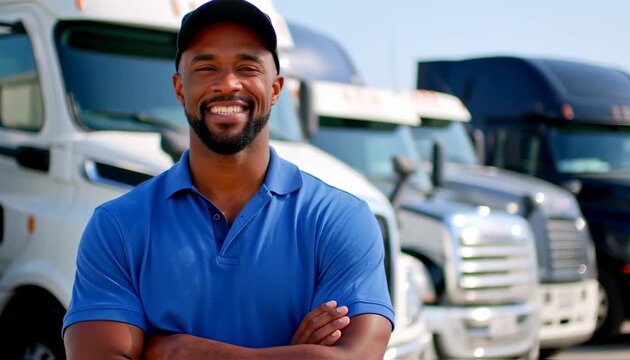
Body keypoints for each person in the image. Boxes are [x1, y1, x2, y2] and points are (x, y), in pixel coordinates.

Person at [62, 0, 393, 358]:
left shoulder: (339, 219)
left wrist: (178, 350)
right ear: (179, 88)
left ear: (276, 88)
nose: (227, 84)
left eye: (247, 66)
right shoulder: (118, 226)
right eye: (206, 67)